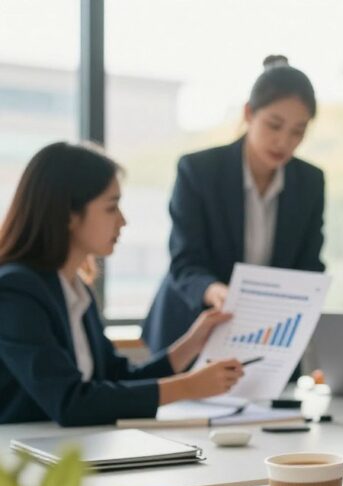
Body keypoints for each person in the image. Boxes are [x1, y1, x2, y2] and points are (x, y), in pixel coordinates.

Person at [0, 143, 243, 426]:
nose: (123, 221)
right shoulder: (16, 292)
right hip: (24, 462)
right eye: (111, 207)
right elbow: (70, 401)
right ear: (68, 214)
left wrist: (190, 345)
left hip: (73, 450)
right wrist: (188, 386)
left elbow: (114, 378)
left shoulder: (74, 288)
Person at [143, 55, 325, 351]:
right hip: (192, 328)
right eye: (274, 125)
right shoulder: (199, 171)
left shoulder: (310, 182)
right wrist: (214, 291)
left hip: (268, 334)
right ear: (249, 113)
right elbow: (185, 261)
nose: (284, 141)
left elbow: (308, 265)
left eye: (298, 131)